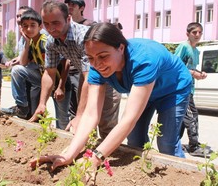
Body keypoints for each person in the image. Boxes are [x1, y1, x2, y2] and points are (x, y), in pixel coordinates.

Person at [30, 22, 192, 174]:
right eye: (91, 58)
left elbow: (129, 119)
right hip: (144, 89)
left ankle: (184, 177)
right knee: (135, 140)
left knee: (166, 144)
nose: (97, 64)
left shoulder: (144, 59)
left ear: (121, 48)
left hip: (173, 89)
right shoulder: (96, 67)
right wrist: (69, 155)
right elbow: (91, 114)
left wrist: (97, 157)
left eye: (103, 56)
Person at [1, 9, 71, 129]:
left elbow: (66, 62)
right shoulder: (32, 43)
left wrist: (61, 87)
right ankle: (22, 107)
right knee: (17, 70)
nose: (29, 29)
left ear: (40, 26)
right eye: (25, 26)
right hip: (45, 81)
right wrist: (27, 43)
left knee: (62, 120)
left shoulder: (46, 41)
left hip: (60, 84)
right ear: (21, 28)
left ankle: (65, 144)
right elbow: (22, 63)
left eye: (32, 25)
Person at [64, 0, 121, 138]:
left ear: (81, 8)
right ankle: (87, 145)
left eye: (74, 5)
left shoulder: (91, 26)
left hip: (103, 76)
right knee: (83, 114)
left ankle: (106, 151)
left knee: (105, 119)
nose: (70, 7)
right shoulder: (65, 29)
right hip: (82, 76)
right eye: (68, 4)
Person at [174, 22, 212, 157]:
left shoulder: (196, 51)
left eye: (200, 32)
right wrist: (192, 73)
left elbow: (190, 67)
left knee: (184, 119)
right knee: (192, 116)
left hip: (190, 89)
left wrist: (200, 73)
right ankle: (194, 146)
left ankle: (175, 143)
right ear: (187, 34)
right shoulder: (183, 47)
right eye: (194, 32)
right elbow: (175, 66)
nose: (197, 35)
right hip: (181, 89)